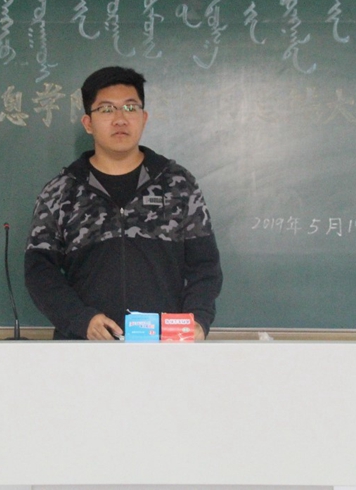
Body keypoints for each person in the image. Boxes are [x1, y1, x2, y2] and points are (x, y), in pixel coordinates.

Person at [24, 66, 223, 340]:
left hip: (165, 348)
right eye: (106, 109)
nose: (120, 119)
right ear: (88, 123)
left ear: (144, 118)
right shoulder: (62, 191)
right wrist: (80, 320)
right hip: (84, 349)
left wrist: (198, 320)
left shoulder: (178, 184)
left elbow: (205, 265)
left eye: (130, 108)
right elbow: (39, 272)